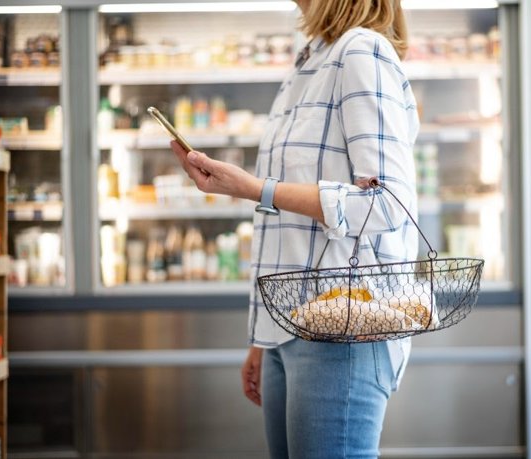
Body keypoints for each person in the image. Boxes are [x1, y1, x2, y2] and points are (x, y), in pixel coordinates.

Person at [170, 0, 419, 456]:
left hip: (345, 326)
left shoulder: (362, 52)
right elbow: (285, 232)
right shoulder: (310, 60)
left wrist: (256, 189)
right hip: (289, 326)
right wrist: (262, 337)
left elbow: (388, 204)